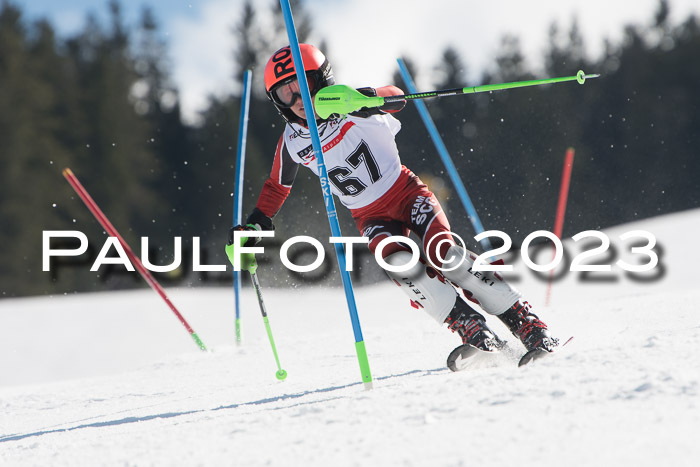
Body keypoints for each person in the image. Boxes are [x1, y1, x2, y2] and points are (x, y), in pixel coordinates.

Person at [226, 43, 558, 354]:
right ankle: (472, 329)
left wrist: (361, 98)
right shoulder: (293, 141)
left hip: (405, 190)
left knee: (443, 252)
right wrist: (256, 223)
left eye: (304, 84)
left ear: (322, 80)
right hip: (369, 216)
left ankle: (527, 324)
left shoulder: (351, 105)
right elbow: (276, 186)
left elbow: (397, 97)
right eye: (286, 93)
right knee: (398, 263)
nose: (297, 98)